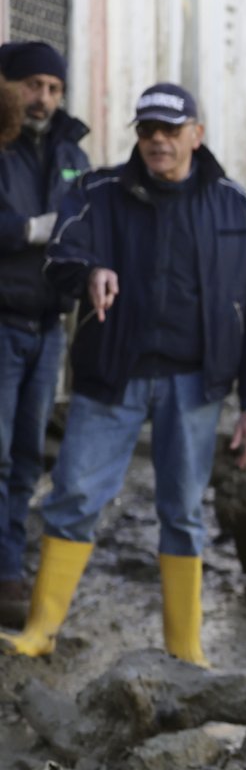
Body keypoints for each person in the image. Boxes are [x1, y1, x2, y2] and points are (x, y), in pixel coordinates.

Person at [3, 83, 246, 664]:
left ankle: (185, 650)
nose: (157, 142)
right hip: (112, 375)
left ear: (195, 135)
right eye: (147, 130)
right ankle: (40, 632)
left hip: (196, 383)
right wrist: (90, 271)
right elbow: (61, 257)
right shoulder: (98, 191)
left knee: (181, 511)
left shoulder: (231, 203)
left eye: (170, 131)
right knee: (73, 494)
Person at [0, 42, 89, 629]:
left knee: (29, 459)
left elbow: (87, 224)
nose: (44, 99)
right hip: (2, 322)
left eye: (53, 89)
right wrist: (37, 228)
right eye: (33, 85)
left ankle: (9, 573)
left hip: (49, 327)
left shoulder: (71, 153)